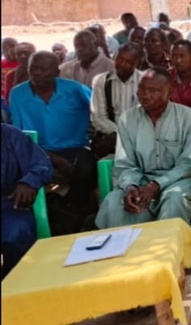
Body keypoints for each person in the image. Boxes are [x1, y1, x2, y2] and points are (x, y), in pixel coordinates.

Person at [95, 67, 191, 228]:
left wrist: (156, 185)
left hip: (178, 180)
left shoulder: (188, 117)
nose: (145, 95)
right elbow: (126, 164)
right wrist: (131, 186)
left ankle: (168, 252)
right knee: (116, 203)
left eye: (153, 91)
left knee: (175, 200)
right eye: (141, 88)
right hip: (141, 179)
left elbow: (187, 165)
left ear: (170, 92)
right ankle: (129, 252)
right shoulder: (127, 119)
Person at [10, 51, 96, 235]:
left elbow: (98, 110)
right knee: (25, 175)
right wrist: (54, 159)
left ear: (57, 72)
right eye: (33, 68)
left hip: (75, 148)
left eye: (42, 69)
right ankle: (70, 218)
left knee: (87, 167)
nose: (36, 73)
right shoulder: (18, 94)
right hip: (36, 150)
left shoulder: (75, 90)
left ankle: (69, 210)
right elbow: (21, 137)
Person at [1, 123, 53, 279]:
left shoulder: (9, 135)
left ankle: (14, 285)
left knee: (16, 232)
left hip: (7, 205)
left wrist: (28, 182)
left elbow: (41, 164)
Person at [90, 43, 145, 158]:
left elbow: (145, 116)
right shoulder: (101, 81)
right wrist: (119, 134)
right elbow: (98, 117)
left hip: (139, 135)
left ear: (137, 64)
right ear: (115, 57)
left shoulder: (144, 81)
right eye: (120, 59)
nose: (123, 64)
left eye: (129, 62)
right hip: (111, 134)